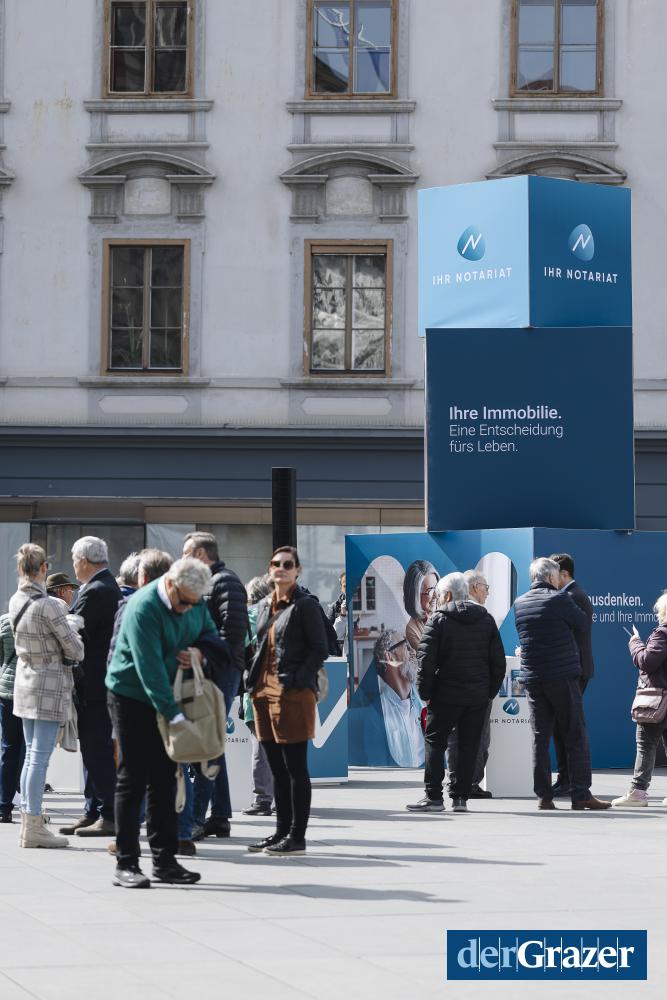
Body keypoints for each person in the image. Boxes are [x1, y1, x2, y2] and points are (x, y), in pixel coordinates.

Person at [106, 556, 217, 888]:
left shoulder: (193, 599)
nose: (188, 609)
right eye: (184, 602)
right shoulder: (143, 607)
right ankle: (126, 863)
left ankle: (165, 861)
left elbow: (210, 633)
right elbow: (149, 670)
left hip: (169, 692)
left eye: (194, 604)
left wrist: (200, 652)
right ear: (170, 584)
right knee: (133, 778)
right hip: (131, 696)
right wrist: (176, 718)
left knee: (165, 779)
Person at [245, 546, 328, 856]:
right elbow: (257, 647)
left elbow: (320, 648)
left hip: (292, 695)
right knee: (276, 769)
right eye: (275, 564)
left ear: (297, 570)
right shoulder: (264, 605)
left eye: (287, 564)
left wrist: (295, 681)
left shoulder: (305, 606)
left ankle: (297, 836)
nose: (281, 568)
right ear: (270, 569)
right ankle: (280, 831)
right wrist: (250, 678)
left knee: (295, 768)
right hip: (262, 695)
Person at [514, 557, 610, 811]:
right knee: (575, 734)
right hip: (562, 676)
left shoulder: (520, 603)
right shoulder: (560, 599)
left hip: (533, 677)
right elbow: (582, 623)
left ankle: (544, 797)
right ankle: (581, 795)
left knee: (540, 738)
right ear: (551, 577)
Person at [407, 572, 505, 813]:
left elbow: (425, 662)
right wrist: (488, 693)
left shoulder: (438, 620)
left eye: (439, 594)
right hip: (476, 696)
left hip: (445, 695)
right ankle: (460, 798)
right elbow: (498, 663)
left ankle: (434, 797)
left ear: (448, 595)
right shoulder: (486, 620)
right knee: (470, 745)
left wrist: (425, 693)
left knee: (435, 742)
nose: (438, 599)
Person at [9, 544, 84, 848]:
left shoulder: (16, 599)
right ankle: (34, 825)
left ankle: (30, 822)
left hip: (25, 680)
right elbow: (75, 650)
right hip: (49, 684)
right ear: (43, 569)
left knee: (31, 756)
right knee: (39, 758)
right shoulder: (50, 605)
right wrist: (73, 628)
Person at [181, 531, 249, 841]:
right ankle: (219, 816)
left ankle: (196, 817)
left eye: (186, 553)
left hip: (220, 671)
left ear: (200, 554)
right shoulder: (209, 583)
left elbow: (233, 632)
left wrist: (204, 656)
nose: (182, 559)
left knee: (206, 743)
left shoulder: (225, 581)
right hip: (210, 670)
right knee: (212, 744)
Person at [60, 537, 121, 838]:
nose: (73, 565)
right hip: (96, 682)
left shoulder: (97, 590)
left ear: (84, 560)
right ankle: (93, 810)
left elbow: (73, 634)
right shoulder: (103, 586)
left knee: (97, 749)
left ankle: (109, 814)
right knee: (92, 749)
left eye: (74, 560)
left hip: (95, 684)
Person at [612, 593, 667, 807]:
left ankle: (637, 793)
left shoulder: (662, 633)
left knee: (645, 744)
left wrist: (635, 643)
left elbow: (646, 662)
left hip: (657, 700)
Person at [548, 553, 595, 797]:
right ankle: (565, 778)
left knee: (566, 726)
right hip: (572, 669)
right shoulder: (571, 595)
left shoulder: (572, 596)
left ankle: (569, 780)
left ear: (564, 574)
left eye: (553, 576)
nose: (549, 581)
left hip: (573, 670)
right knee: (561, 725)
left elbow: (573, 635)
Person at [446, 569, 495, 799]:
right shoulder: (484, 618)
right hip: (478, 690)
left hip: (451, 690)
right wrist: (491, 688)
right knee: (478, 737)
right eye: (486, 587)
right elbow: (496, 659)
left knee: (454, 738)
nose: (487, 593)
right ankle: (471, 784)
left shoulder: (443, 616)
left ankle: (455, 782)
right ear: (474, 587)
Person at [241, 574, 274, 817]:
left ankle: (262, 799)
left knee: (260, 747)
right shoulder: (281, 615)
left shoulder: (249, 617)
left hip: (257, 690)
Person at [372, 629, 424, 767]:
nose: (413, 652)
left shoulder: (424, 705)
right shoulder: (377, 715)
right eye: (406, 645)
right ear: (389, 656)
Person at [0, 611, 24, 823]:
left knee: (8, 749)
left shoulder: (4, 621)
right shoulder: (42, 614)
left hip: (7, 692)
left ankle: (4, 806)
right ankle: (29, 806)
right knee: (32, 751)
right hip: (32, 690)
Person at [403, 560, 439, 651]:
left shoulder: (447, 609)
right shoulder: (412, 630)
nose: (436, 595)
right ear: (415, 596)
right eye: (430, 590)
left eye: (437, 587)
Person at [328, 571, 347, 654]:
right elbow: (330, 634)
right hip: (340, 653)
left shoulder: (360, 606)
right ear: (341, 588)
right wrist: (342, 614)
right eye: (345, 586)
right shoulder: (334, 607)